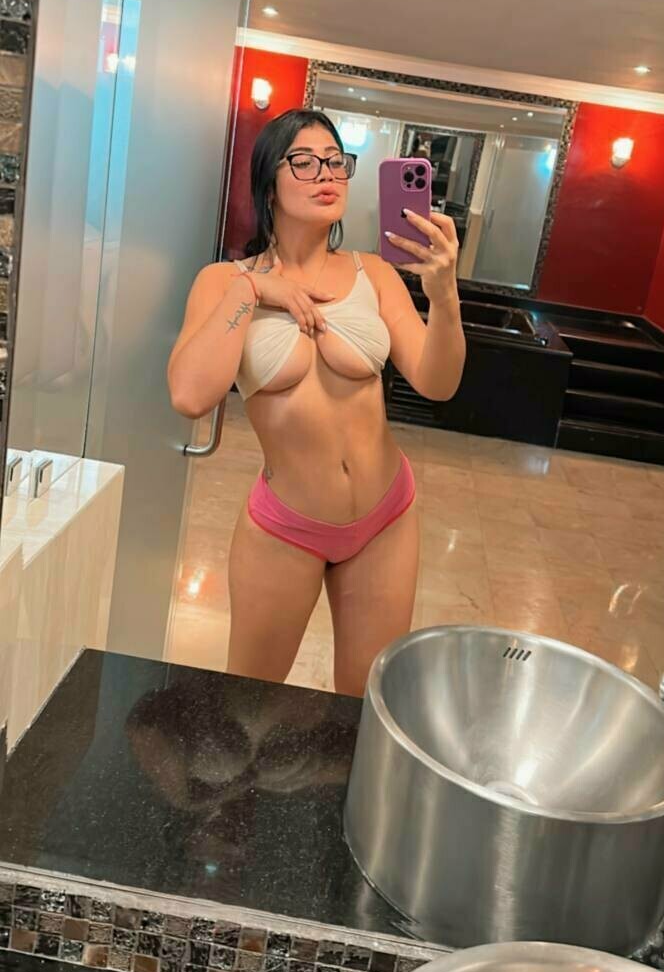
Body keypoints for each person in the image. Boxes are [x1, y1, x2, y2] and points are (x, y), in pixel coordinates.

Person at [168, 109, 465, 696]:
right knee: (248, 703)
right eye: (303, 162)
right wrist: (253, 289)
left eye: (335, 161)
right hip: (287, 527)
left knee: (362, 707)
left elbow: (438, 382)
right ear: (268, 184)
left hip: (386, 518)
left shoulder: (374, 273)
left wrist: (445, 295)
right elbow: (190, 394)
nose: (326, 173)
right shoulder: (223, 281)